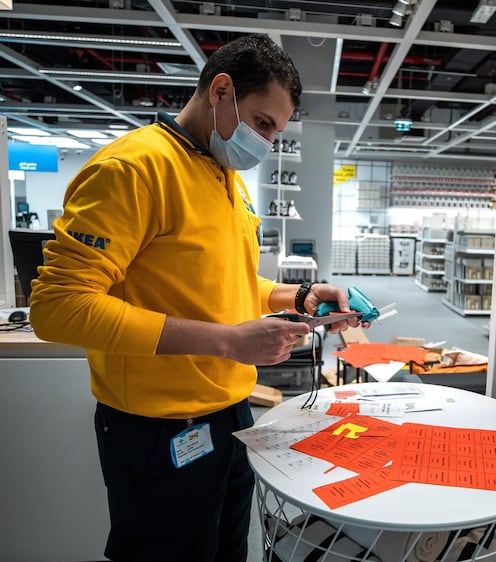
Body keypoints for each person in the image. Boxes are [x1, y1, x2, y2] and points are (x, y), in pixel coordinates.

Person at [29, 34, 362, 562]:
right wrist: (228, 342)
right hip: (157, 429)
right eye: (262, 123)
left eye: (276, 130)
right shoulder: (134, 169)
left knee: (225, 550)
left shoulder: (225, 178)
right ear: (221, 90)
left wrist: (297, 296)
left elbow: (223, 282)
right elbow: (58, 306)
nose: (266, 142)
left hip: (230, 416)